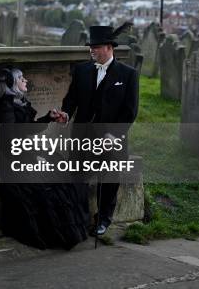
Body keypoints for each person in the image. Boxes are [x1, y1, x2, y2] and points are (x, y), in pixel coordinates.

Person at [0, 67, 89, 250]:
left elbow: (27, 128)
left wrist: (48, 118)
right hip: (7, 156)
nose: (25, 80)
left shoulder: (20, 102)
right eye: (21, 78)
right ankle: (55, 234)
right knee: (42, 187)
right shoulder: (6, 105)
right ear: (12, 83)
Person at [59, 23, 139, 236]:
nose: (92, 50)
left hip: (112, 138)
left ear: (109, 47)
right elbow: (71, 100)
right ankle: (79, 218)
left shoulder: (128, 75)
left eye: (96, 46)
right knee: (77, 177)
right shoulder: (82, 71)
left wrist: (114, 136)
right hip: (83, 135)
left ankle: (103, 219)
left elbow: (130, 111)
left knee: (110, 180)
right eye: (91, 47)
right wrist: (65, 114)